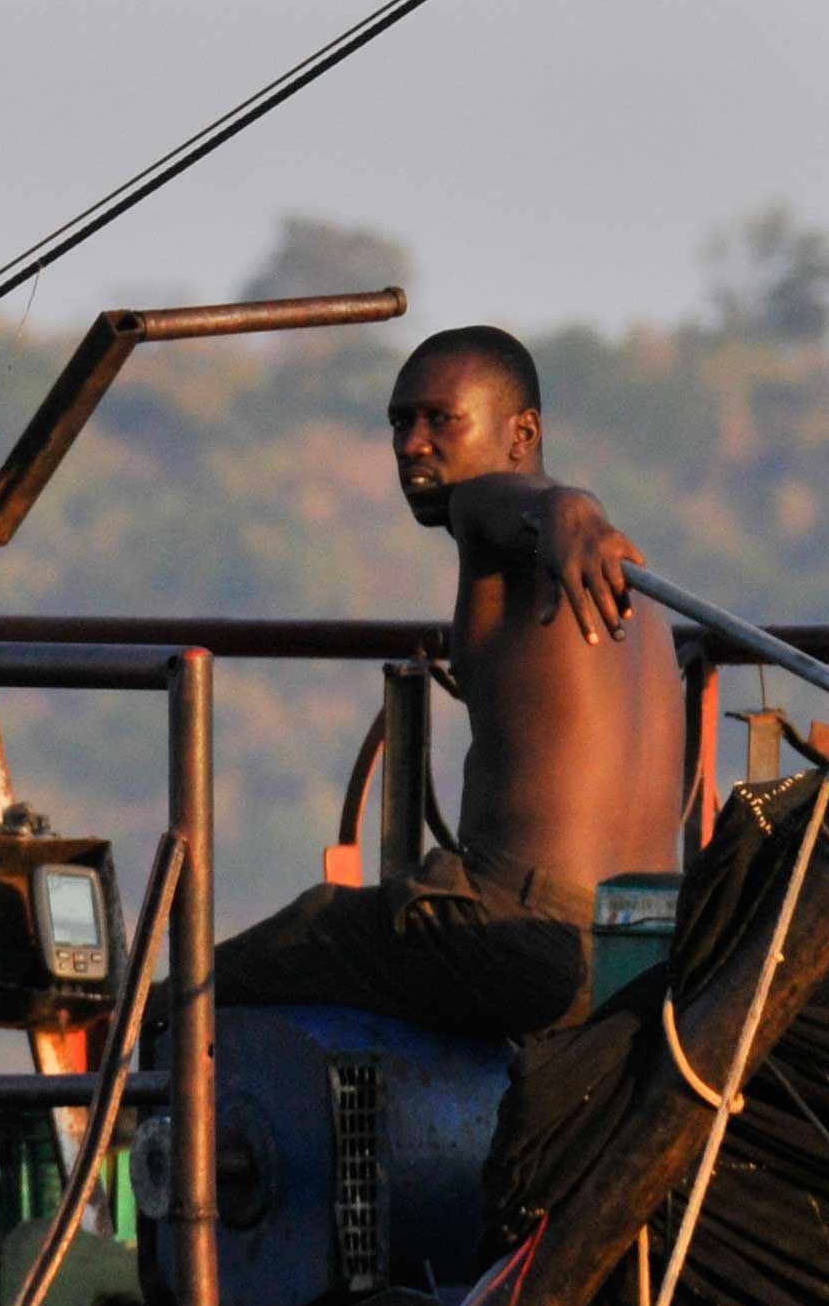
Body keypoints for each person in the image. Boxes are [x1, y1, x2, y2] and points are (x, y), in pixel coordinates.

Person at [213, 324, 686, 1041]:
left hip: (520, 938)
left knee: (214, 985)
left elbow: (516, 505)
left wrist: (567, 509)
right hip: (648, 951)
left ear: (521, 433)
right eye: (401, 423)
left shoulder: (512, 520)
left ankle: (106, 1126)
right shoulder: (638, 595)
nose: (411, 446)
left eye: (441, 420)